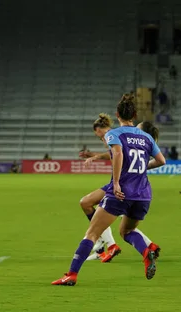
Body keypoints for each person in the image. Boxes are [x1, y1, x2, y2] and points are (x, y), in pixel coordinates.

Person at [52, 94, 166, 286]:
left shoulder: (114, 134)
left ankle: (71, 274)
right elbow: (162, 161)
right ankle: (147, 252)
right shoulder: (146, 137)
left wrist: (116, 183)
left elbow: (118, 154)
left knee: (92, 234)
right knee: (127, 231)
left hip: (121, 192)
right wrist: (140, 169)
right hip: (144, 194)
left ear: (117, 114)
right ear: (134, 115)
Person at [79, 116, 161, 263]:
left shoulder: (124, 136)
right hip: (135, 188)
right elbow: (114, 154)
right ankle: (149, 246)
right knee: (124, 224)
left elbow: (116, 154)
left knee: (93, 207)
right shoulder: (135, 139)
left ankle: (109, 245)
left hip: (122, 185)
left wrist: (95, 157)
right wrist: (95, 156)